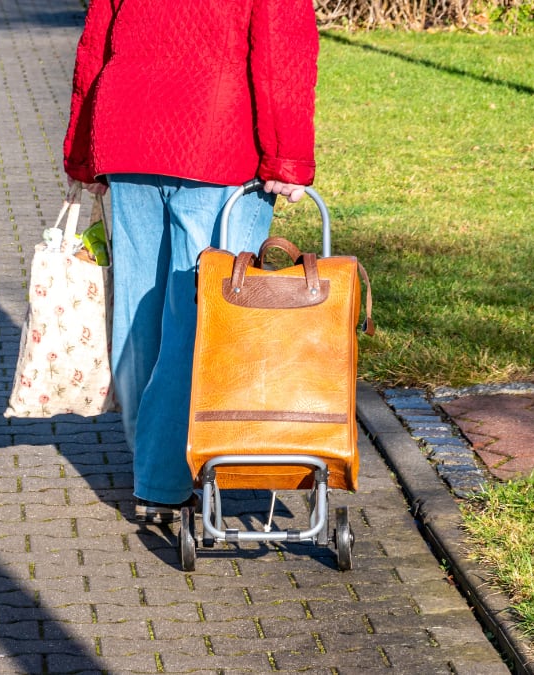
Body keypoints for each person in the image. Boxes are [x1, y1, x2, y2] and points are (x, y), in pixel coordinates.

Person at [62, 0, 319, 522]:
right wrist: (287, 158)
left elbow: (97, 39)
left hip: (127, 127)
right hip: (218, 141)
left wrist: (83, 152)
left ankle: (151, 461)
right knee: (200, 319)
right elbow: (281, 51)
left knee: (141, 309)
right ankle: (161, 479)